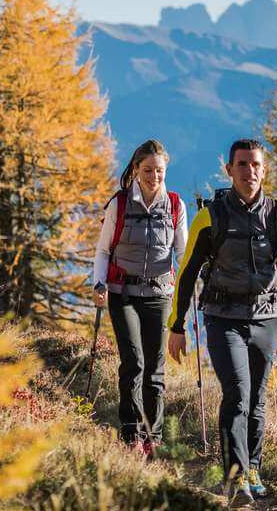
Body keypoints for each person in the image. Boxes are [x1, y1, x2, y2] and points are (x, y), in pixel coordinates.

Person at [166, 138, 277, 506]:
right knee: (238, 394)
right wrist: (177, 326)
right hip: (222, 318)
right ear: (229, 170)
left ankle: (254, 466)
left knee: (257, 398)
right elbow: (187, 273)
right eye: (242, 165)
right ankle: (235, 479)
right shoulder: (211, 216)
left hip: (267, 317)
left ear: (265, 169)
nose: (250, 171)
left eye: (256, 164)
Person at [89, 138, 186, 458]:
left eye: (159, 170)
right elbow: (103, 251)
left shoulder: (175, 205)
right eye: (147, 170)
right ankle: (130, 433)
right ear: (135, 169)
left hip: (159, 294)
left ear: (165, 171)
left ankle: (152, 435)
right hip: (123, 293)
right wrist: (99, 284)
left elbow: (183, 254)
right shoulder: (119, 204)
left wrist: (190, 289)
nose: (153, 176)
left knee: (155, 367)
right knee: (134, 362)